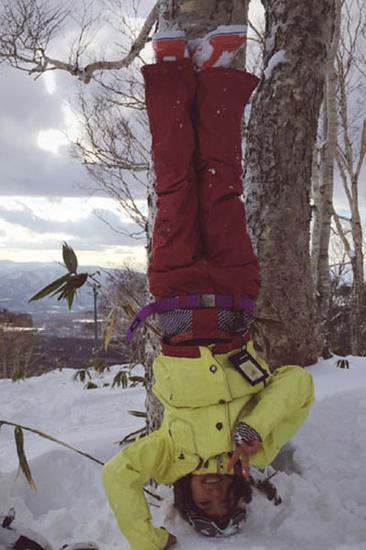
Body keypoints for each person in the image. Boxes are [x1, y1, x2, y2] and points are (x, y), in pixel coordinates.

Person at [103, 25, 314, 550]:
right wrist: (254, 429)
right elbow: (297, 386)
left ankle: (172, 70)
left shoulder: (167, 456)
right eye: (227, 500)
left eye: (205, 501)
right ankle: (216, 73)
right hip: (235, 295)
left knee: (175, 188)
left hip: (175, 300)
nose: (215, 491)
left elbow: (118, 476)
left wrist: (149, 541)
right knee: (222, 184)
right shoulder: (258, 452)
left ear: (186, 494)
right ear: (242, 491)